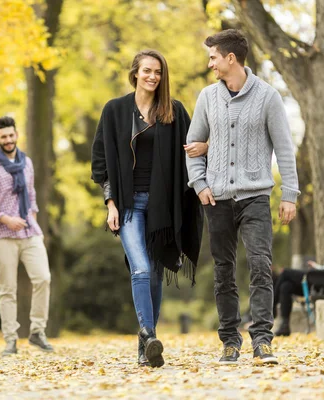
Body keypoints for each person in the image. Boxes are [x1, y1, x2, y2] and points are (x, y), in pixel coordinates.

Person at [186, 29, 300, 365]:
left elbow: (285, 149)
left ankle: (263, 340)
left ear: (230, 58)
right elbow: (193, 147)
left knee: (261, 267)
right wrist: (200, 184)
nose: (210, 64)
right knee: (223, 271)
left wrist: (289, 194)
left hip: (255, 197)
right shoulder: (207, 97)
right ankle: (229, 342)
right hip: (217, 198)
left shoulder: (268, 97)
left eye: (213, 57)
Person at [91, 49, 204, 368]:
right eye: (147, 71)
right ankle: (149, 334)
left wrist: (205, 146)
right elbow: (100, 162)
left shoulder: (174, 111)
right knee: (140, 268)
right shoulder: (114, 110)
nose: (153, 76)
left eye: (158, 72)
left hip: (161, 207)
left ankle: (146, 347)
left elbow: (194, 145)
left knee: (154, 274)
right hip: (127, 205)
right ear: (135, 73)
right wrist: (110, 202)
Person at [0, 116, 53, 356]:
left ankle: (37, 332)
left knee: (43, 278)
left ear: (16, 135)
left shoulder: (27, 163)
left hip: (30, 233)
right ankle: (10, 339)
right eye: (4, 137)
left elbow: (31, 195)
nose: (8, 140)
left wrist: (33, 221)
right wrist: (5, 219)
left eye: (11, 135)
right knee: (7, 290)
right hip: (3, 236)